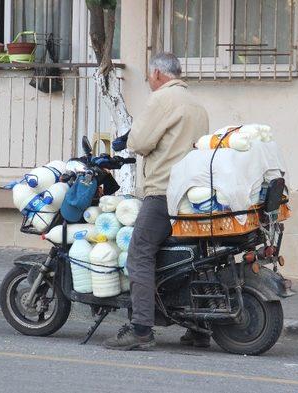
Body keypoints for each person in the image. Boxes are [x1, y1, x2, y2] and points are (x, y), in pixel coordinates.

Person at [104, 53, 210, 350]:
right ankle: (199, 329)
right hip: (190, 196)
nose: (149, 81)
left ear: (158, 73)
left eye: (150, 76)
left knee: (139, 253)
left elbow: (139, 142)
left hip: (163, 191)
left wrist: (127, 140)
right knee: (190, 261)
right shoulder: (196, 105)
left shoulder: (162, 100)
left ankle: (140, 329)